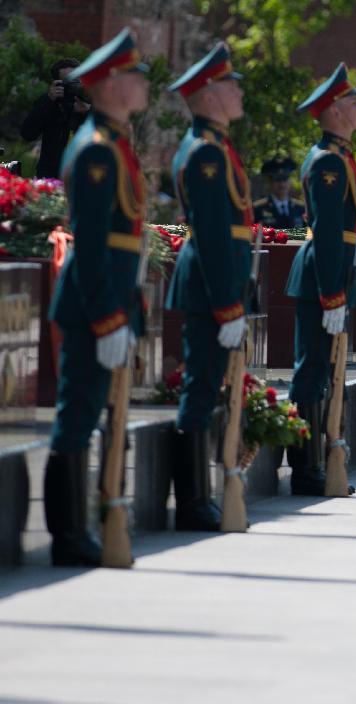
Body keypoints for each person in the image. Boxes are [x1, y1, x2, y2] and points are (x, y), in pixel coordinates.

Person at [42, 28, 149, 567]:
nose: (143, 84)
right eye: (133, 76)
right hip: (90, 305)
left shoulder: (115, 145)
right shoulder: (96, 151)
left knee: (91, 411)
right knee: (76, 414)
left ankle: (82, 524)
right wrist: (109, 318)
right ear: (110, 85)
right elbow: (88, 243)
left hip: (107, 302)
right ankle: (65, 533)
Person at [165, 42, 252, 529]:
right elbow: (215, 235)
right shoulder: (204, 153)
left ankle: (200, 497)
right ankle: (192, 501)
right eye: (231, 84)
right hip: (208, 289)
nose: (239, 91)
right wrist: (227, 306)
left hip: (217, 288)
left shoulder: (215, 147)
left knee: (206, 387)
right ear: (210, 94)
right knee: (199, 389)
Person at [286, 62, 356, 494]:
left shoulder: (340, 157)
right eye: (353, 100)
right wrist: (333, 294)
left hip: (335, 277)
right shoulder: (327, 164)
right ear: (334, 111)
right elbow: (329, 234)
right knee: (312, 369)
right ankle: (305, 468)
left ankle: (317, 461)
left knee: (325, 369)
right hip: (323, 277)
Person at [20, 57, 91, 179]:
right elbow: (27, 134)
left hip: (83, 177)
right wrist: (49, 100)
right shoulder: (50, 103)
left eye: (77, 79)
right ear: (57, 83)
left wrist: (87, 112)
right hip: (51, 177)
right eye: (69, 81)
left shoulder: (92, 102)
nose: (74, 85)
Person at [253, 157, 306, 228]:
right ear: (270, 182)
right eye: (277, 180)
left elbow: (309, 235)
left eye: (285, 179)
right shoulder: (258, 209)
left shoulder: (301, 208)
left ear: (290, 182)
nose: (282, 184)